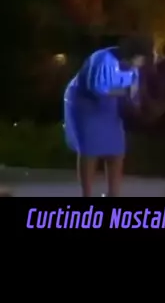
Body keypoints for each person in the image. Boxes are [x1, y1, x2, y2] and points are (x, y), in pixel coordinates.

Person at [64, 35, 155, 197]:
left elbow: (133, 93)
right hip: (85, 104)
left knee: (116, 150)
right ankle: (87, 194)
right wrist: (124, 92)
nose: (142, 64)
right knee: (90, 149)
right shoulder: (103, 59)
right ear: (132, 55)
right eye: (141, 59)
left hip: (110, 105)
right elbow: (97, 88)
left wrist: (137, 107)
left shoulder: (134, 68)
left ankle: (114, 193)